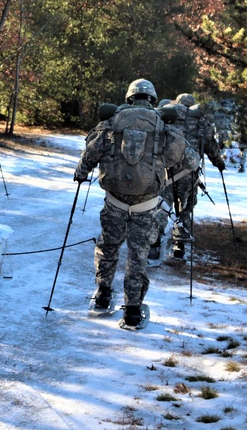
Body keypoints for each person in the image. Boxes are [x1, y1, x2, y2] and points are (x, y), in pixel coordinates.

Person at [73, 78, 192, 329]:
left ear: (129, 98)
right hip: (145, 204)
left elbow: (90, 151)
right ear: (151, 99)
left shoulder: (112, 122)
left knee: (108, 246)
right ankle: (133, 312)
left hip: (114, 200)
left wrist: (82, 173)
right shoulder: (161, 124)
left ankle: (103, 295)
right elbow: (182, 158)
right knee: (137, 255)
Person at [150, 93, 226, 262]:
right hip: (189, 173)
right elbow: (210, 145)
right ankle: (180, 245)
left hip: (166, 170)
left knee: (163, 204)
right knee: (185, 207)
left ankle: (154, 240)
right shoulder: (201, 121)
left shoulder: (166, 116)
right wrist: (219, 163)